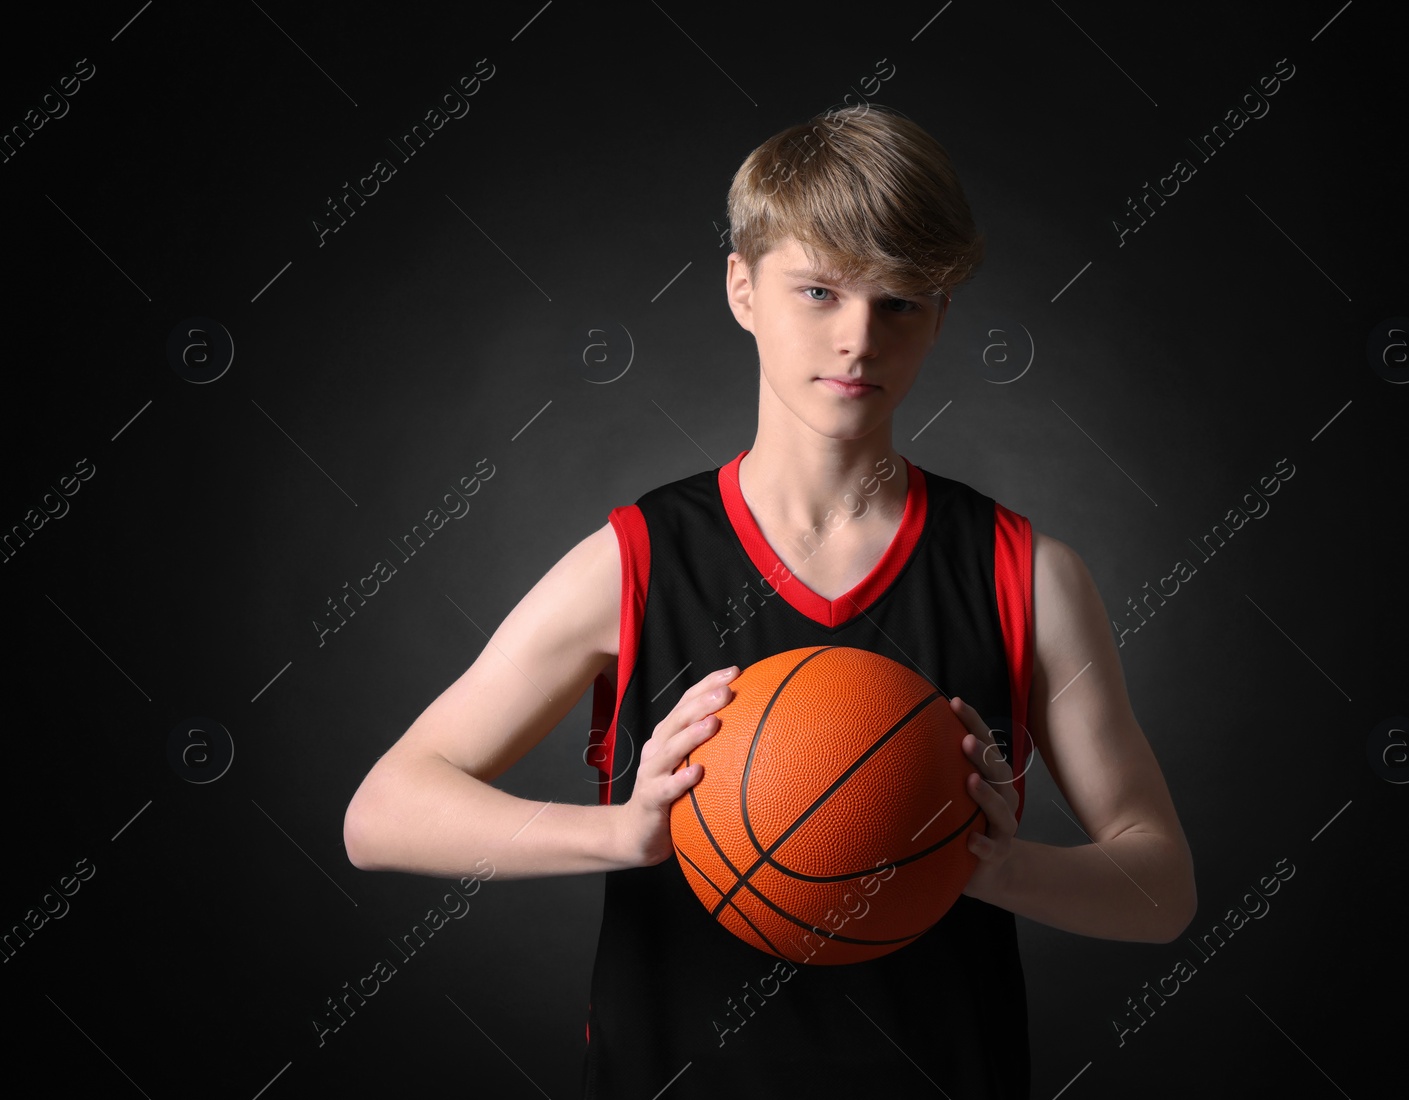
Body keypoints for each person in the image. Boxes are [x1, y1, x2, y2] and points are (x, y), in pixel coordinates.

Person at [344, 102, 1195, 1098]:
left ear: (942, 314)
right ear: (742, 288)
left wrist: (997, 866)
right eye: (820, 290)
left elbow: (1162, 887)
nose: (858, 338)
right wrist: (624, 832)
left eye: (901, 301)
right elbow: (384, 812)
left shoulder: (1025, 572)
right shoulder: (634, 561)